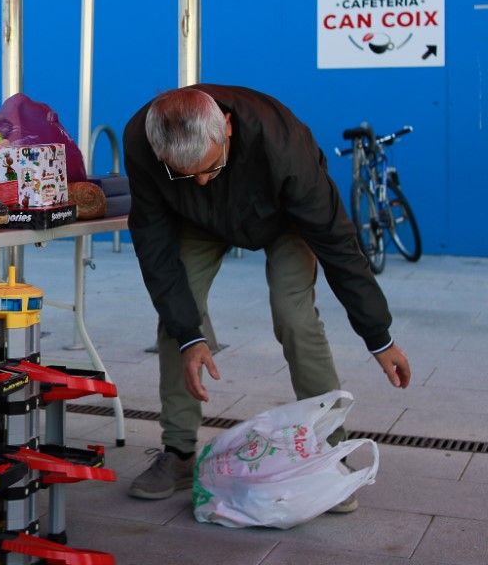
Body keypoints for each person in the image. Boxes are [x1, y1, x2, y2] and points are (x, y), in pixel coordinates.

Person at [122, 84, 410, 510]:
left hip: (283, 217)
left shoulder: (284, 147)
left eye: (209, 167)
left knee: (294, 315)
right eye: (186, 174)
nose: (200, 180)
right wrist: (190, 335)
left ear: (228, 129)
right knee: (178, 316)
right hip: (198, 222)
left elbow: (337, 244)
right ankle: (179, 453)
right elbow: (154, 246)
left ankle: (328, 451)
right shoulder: (142, 141)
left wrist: (378, 336)